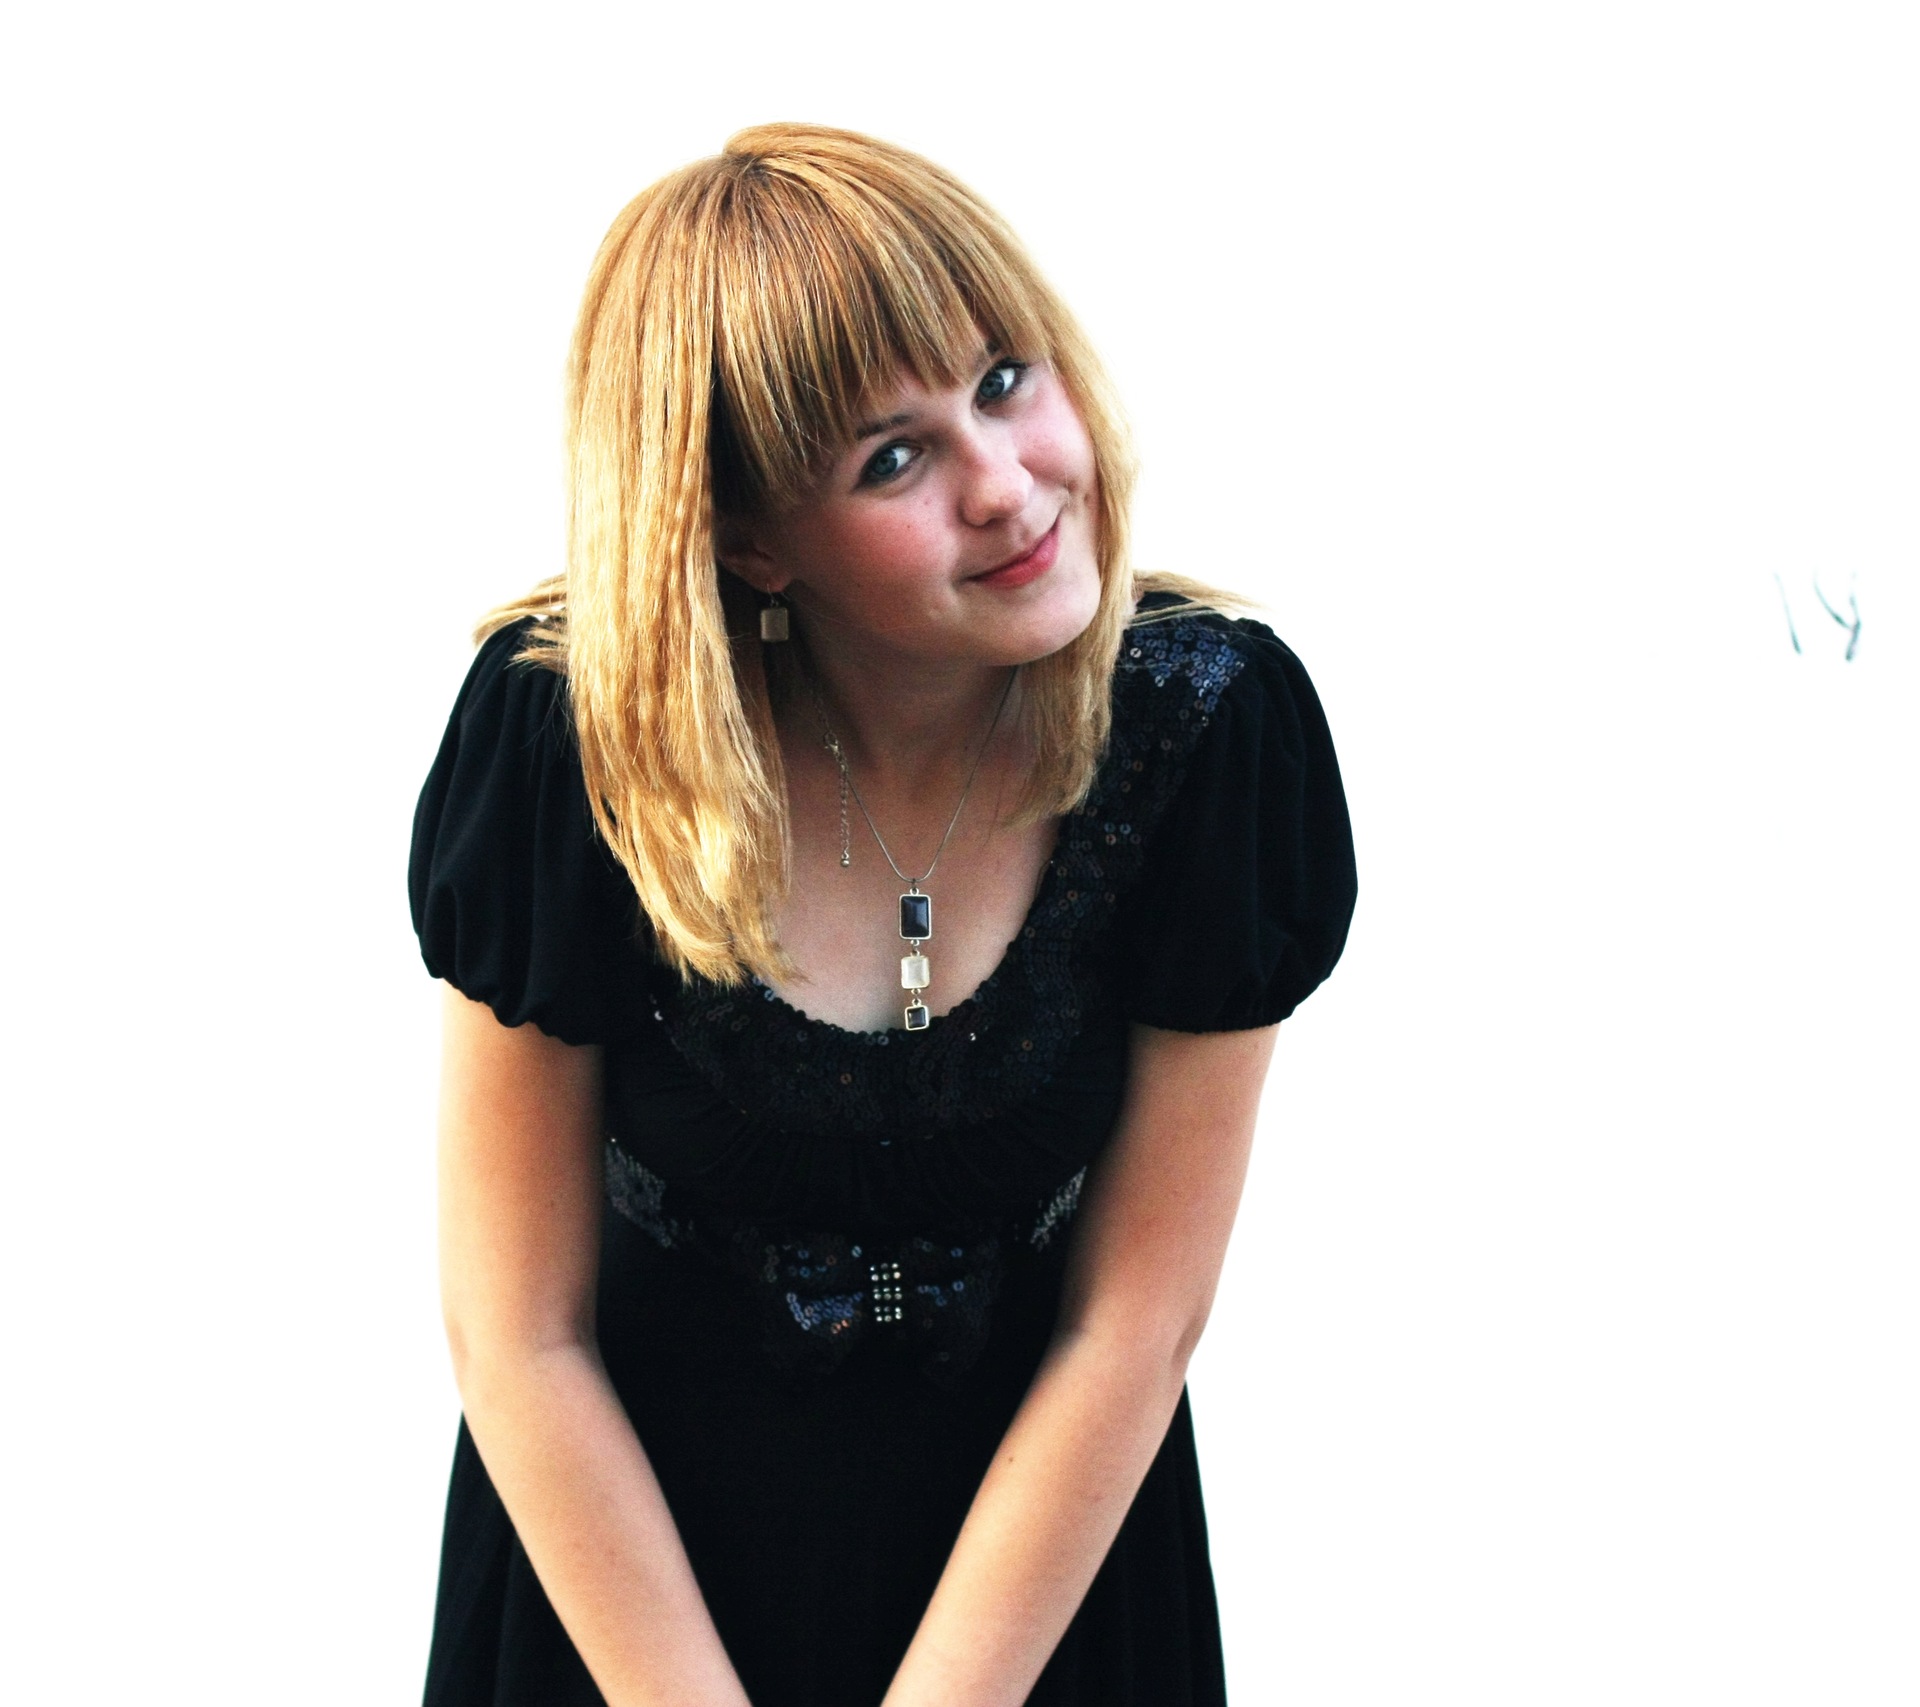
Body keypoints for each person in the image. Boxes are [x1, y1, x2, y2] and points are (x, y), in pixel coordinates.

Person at [408, 123, 1355, 1707]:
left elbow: (1136, 1321)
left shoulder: (1206, 731)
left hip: (1042, 1584)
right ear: (747, 539)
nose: (1008, 485)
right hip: (631, 1595)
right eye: (891, 459)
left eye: (1004, 380)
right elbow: (519, 1332)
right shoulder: (571, 742)